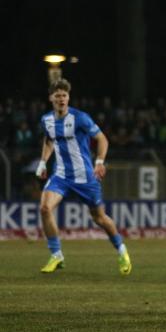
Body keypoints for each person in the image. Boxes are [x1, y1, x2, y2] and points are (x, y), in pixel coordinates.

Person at [36, 79, 131, 275]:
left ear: (68, 97)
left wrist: (99, 162)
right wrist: (43, 162)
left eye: (64, 95)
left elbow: (102, 139)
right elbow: (49, 140)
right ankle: (56, 255)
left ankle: (122, 250)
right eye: (58, 96)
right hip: (61, 176)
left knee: (99, 218)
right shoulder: (46, 120)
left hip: (85, 177)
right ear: (51, 98)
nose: (61, 99)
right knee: (45, 208)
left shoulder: (80, 118)